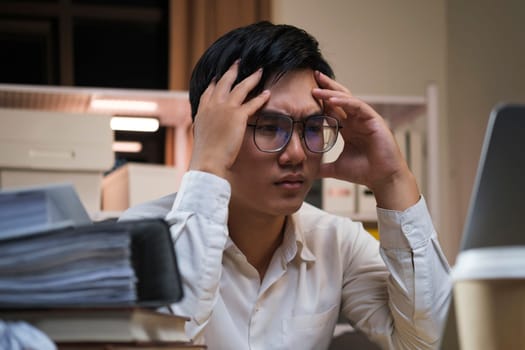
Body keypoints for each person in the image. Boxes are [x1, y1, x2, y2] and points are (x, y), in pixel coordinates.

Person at [120, 21, 452, 350]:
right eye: (268, 127)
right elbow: (168, 338)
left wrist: (392, 179)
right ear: (211, 131)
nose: (295, 153)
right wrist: (208, 164)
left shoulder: (337, 242)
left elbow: (430, 343)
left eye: (311, 127)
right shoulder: (139, 234)